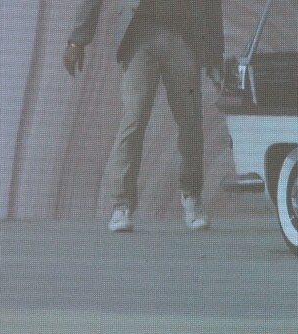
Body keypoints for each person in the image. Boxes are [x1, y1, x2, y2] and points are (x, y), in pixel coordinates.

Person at [65, 0, 224, 233]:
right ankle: (121, 205)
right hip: (138, 34)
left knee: (190, 120)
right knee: (134, 117)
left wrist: (214, 55)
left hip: (182, 33)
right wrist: (76, 40)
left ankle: (192, 196)